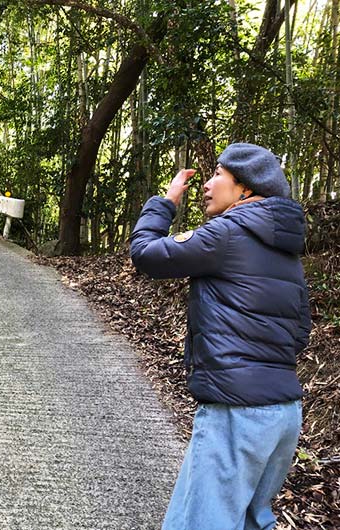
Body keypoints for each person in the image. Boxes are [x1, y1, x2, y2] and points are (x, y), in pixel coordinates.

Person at [129, 143, 311, 530]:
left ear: (243, 187)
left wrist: (166, 202)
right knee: (248, 521)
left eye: (217, 176)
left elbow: (146, 254)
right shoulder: (287, 252)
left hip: (236, 410)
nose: (207, 185)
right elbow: (300, 332)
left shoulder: (227, 233)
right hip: (283, 415)